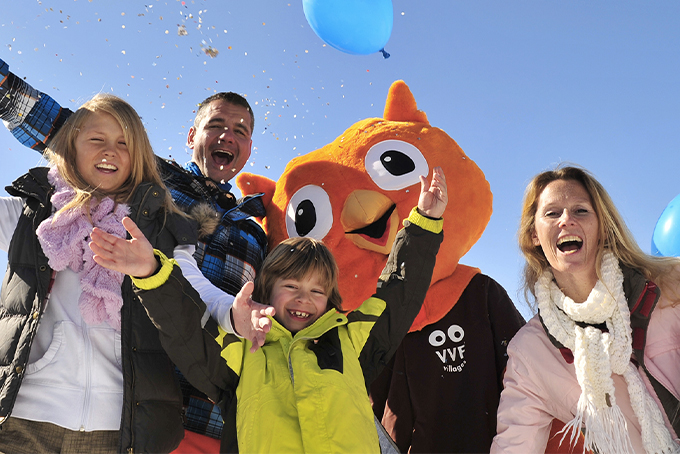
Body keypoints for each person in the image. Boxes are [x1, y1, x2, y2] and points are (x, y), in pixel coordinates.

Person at [0, 56, 268, 450]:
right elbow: (63, 127)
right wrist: (6, 88)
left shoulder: (258, 226)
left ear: (248, 150)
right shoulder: (148, 183)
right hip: (130, 386)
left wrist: (247, 315)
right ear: (192, 136)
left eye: (240, 131)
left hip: (205, 404)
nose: (228, 135)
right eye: (216, 125)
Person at [89, 167, 448, 453]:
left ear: (331, 299)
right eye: (290, 286)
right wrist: (150, 273)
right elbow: (184, 328)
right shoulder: (241, 348)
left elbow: (398, 295)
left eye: (316, 290)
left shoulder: (350, 341)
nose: (303, 298)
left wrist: (424, 225)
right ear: (265, 291)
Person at [0, 94, 199, 453]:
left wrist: (235, 314)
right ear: (71, 145)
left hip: (116, 429)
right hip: (24, 419)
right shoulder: (34, 213)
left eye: (124, 143)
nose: (111, 150)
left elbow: (197, 296)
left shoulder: (163, 230)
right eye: (97, 139)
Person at [491, 165, 680, 454]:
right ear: (534, 236)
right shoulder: (531, 352)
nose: (566, 220)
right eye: (552, 213)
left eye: (580, 211)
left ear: (602, 227)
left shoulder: (670, 288)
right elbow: (514, 445)